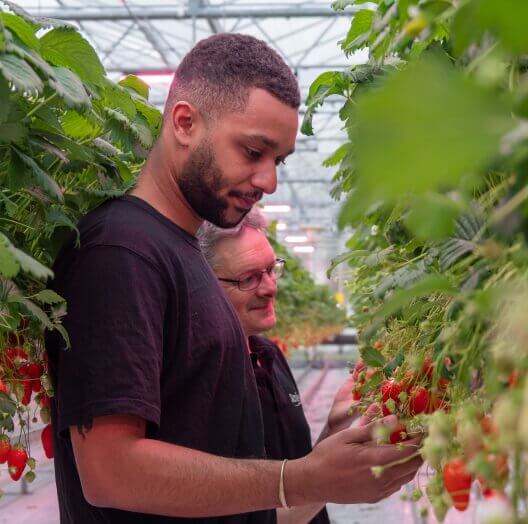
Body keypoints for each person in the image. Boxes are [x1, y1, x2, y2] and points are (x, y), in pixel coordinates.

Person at [45, 33, 422, 524]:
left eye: (278, 161)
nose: (270, 181)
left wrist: (328, 455)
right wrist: (298, 479)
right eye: (252, 151)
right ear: (184, 122)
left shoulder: (182, 254)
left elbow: (230, 488)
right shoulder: (122, 251)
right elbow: (111, 472)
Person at [198, 208, 362, 524]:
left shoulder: (268, 354)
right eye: (249, 278)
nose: (270, 287)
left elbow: (300, 474)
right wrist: (340, 481)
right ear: (203, 283)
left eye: (271, 269)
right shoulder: (204, 378)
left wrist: (336, 426)